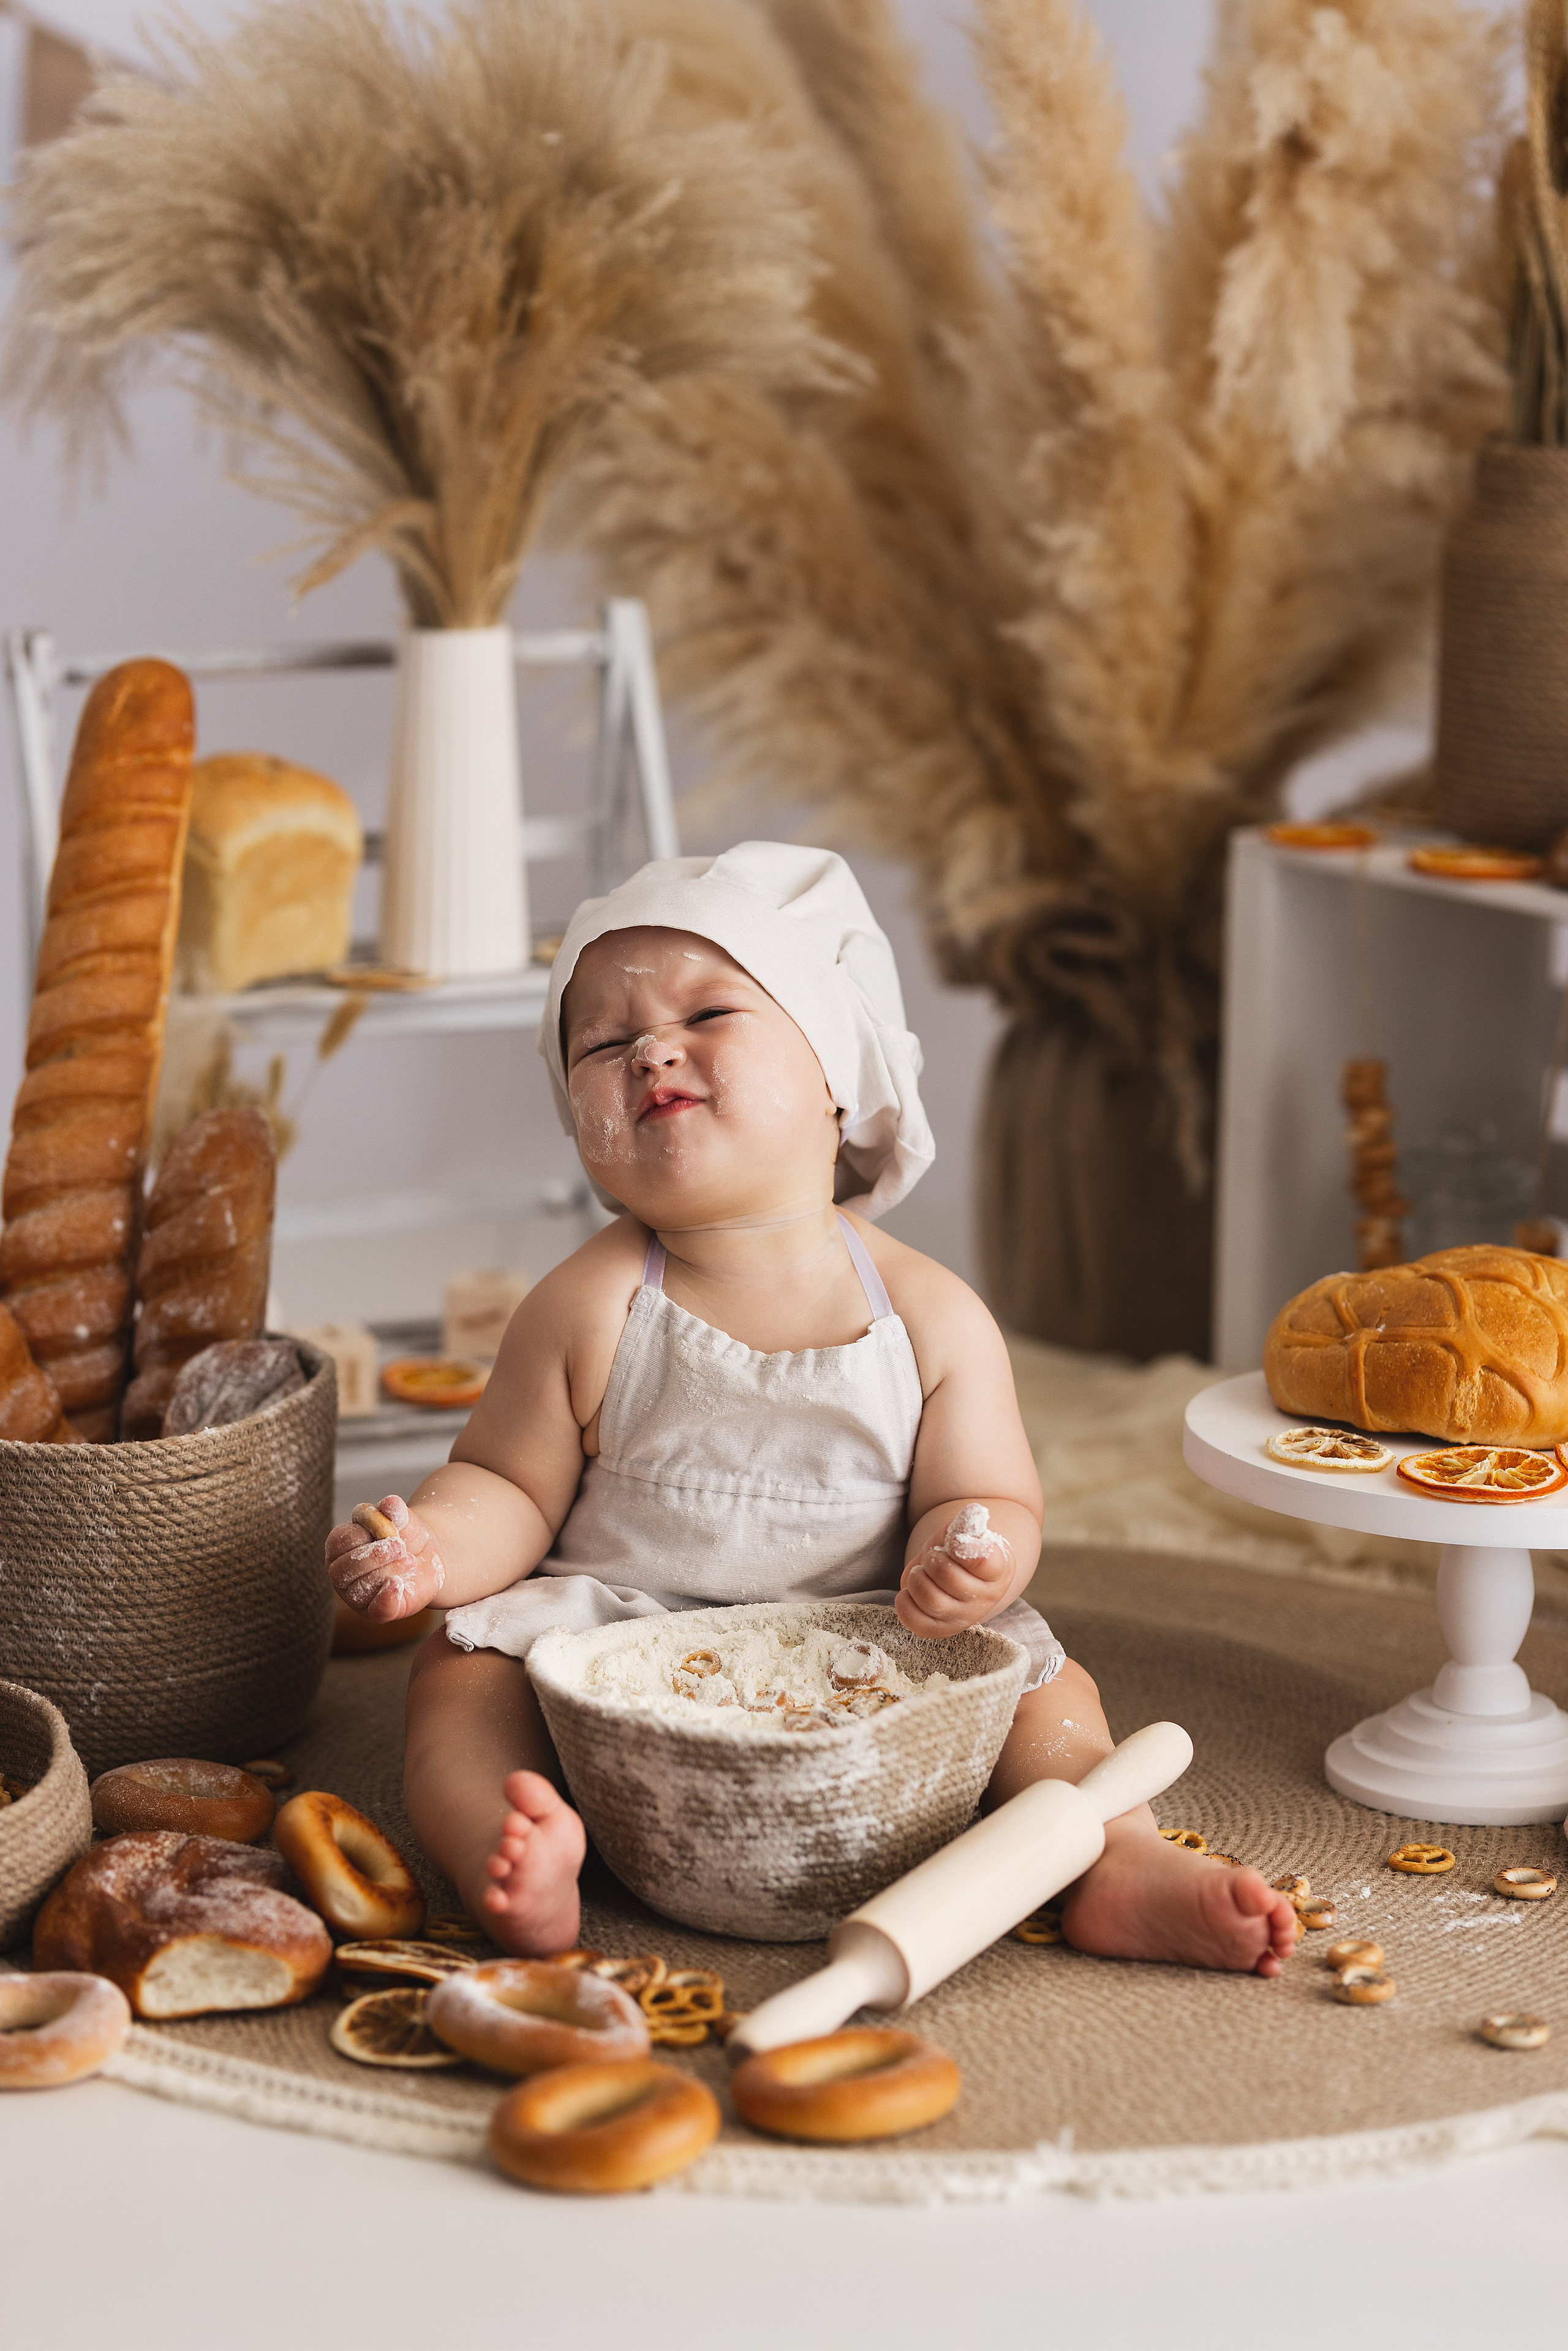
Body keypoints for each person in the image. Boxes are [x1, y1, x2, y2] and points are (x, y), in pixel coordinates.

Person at [326, 844, 1296, 1974]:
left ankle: (1107, 1855)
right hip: (623, 1640)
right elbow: (509, 1484)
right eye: (600, 1041)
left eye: (708, 1010)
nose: (650, 1049)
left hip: (878, 1641)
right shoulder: (588, 1303)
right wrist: (433, 1550)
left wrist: (966, 1557)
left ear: (837, 1070)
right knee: (460, 1671)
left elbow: (989, 1496)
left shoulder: (930, 1315)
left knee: (1047, 1690)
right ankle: (507, 1839)